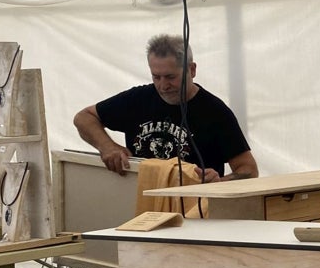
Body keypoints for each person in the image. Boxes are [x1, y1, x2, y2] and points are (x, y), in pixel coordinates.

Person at [74, 34, 258, 182]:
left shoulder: (215, 112)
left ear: (192, 70)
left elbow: (248, 169)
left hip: (194, 211)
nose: (163, 86)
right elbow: (84, 117)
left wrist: (220, 182)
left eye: (171, 77)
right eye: (156, 77)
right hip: (142, 204)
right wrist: (108, 147)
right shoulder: (137, 99)